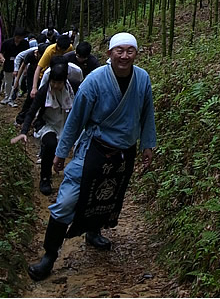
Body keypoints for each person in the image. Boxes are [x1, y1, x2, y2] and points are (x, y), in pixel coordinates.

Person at [27, 32, 156, 281]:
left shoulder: (142, 79)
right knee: (67, 200)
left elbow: (147, 112)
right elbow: (75, 119)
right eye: (120, 51)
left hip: (123, 153)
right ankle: (49, 256)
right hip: (94, 148)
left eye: (130, 51)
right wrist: (61, 153)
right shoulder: (94, 80)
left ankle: (93, 231)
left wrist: (147, 144)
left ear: (136, 54)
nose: (125, 56)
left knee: (106, 195)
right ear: (109, 54)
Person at [11, 62, 73, 196]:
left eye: (59, 83)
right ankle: (45, 178)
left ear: (65, 80)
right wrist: (23, 131)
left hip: (65, 123)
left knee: (65, 149)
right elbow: (32, 111)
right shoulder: (44, 91)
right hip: (46, 124)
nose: (55, 86)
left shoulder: (72, 88)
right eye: (53, 82)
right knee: (51, 144)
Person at [0, 28, 29, 105]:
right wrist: (2, 59)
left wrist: (25, 67)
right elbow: (1, 52)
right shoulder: (7, 43)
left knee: (17, 82)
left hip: (20, 66)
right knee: (8, 82)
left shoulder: (25, 44)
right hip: (8, 64)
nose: (19, 40)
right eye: (17, 37)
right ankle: (7, 97)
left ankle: (12, 99)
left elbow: (26, 57)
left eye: (21, 38)